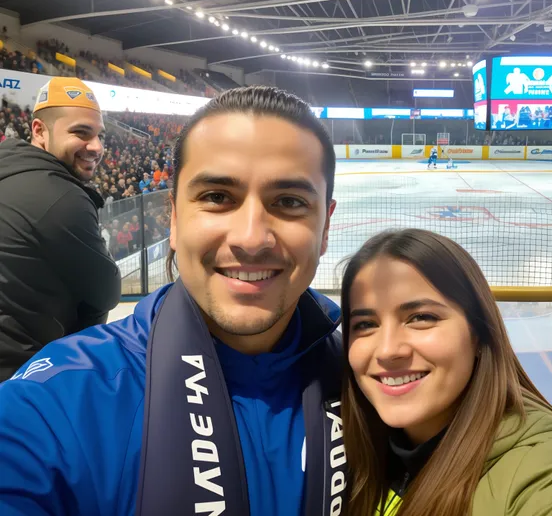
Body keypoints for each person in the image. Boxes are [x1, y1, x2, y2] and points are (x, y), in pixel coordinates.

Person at [0, 86, 346, 515]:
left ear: (326, 226)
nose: (252, 239)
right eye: (218, 197)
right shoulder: (62, 401)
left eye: (290, 202)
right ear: (176, 219)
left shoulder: (376, 383)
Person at [339, 229, 552, 516]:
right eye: (366, 324)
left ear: (479, 334)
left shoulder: (545, 473)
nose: (388, 350)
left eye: (422, 317)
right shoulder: (362, 454)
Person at [0, 77, 121, 381]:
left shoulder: (9, 168)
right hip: (24, 380)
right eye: (80, 132)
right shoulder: (62, 197)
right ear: (39, 130)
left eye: (100, 135)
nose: (96, 147)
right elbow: (106, 293)